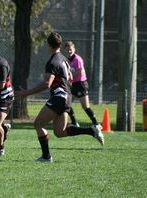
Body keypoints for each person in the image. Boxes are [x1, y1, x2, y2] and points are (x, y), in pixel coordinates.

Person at [16, 32, 104, 163]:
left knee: (38, 124)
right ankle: (91, 130)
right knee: (59, 132)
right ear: (60, 44)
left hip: (59, 97)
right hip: (67, 98)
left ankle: (46, 156)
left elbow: (47, 83)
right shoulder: (64, 60)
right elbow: (71, 78)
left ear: (48, 45)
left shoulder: (52, 61)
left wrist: (26, 93)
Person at [65, 41, 102, 129]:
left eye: (70, 49)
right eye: (67, 50)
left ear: (74, 49)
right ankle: (74, 123)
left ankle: (96, 124)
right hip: (73, 85)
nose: (69, 51)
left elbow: (80, 71)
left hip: (81, 84)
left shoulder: (77, 59)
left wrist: (69, 75)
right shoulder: (67, 60)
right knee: (67, 103)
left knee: (85, 106)